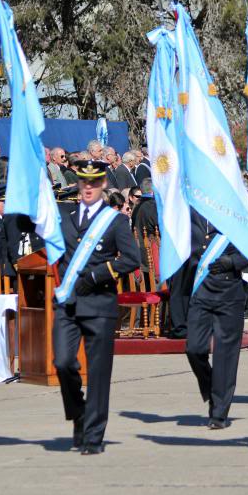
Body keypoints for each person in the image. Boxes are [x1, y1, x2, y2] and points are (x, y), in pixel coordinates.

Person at [53, 160, 139, 454]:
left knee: (99, 373)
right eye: (83, 182)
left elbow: (131, 259)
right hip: (68, 304)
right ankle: (79, 412)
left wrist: (98, 274)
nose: (88, 187)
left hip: (99, 303)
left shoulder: (115, 221)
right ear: (78, 183)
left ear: (103, 184)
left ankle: (93, 436)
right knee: (63, 362)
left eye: (94, 182)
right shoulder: (64, 217)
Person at [184, 209, 248, 429]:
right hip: (200, 290)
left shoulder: (236, 213)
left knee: (225, 356)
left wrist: (233, 262)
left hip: (229, 292)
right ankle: (213, 388)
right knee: (194, 348)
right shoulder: (192, 212)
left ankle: (219, 412)